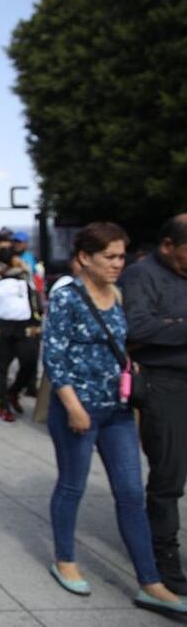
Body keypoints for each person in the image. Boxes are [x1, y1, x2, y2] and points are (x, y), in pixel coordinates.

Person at [43, 222, 187, 616]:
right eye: (109, 257)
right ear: (85, 258)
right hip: (79, 409)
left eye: (121, 256)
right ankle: (65, 558)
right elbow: (54, 358)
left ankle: (150, 582)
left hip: (119, 410)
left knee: (130, 494)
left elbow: (126, 342)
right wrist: (73, 407)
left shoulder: (119, 295)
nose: (117, 264)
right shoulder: (67, 298)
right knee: (72, 486)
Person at [122, 213, 187, 594]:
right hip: (166, 386)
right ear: (167, 246)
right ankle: (162, 556)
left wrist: (173, 323)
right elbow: (138, 327)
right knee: (168, 479)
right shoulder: (141, 275)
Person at [0, 246, 42, 422]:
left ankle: (14, 391)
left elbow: (33, 297)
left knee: (29, 361)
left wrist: (36, 321)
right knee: (0, 369)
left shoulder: (24, 275)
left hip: (23, 325)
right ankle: (4, 405)